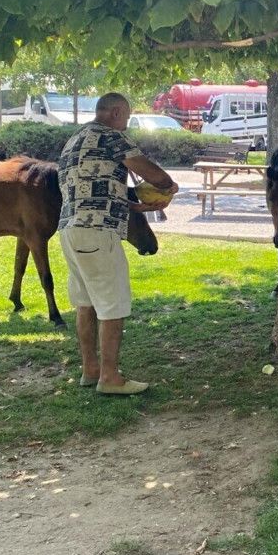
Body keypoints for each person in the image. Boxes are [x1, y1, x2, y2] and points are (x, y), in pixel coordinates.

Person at [57, 92, 177, 395]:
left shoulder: (75, 140)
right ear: (115, 113)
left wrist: (134, 207)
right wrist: (167, 186)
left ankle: (90, 370)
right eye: (125, 117)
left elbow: (93, 188)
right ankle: (110, 377)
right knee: (112, 303)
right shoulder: (110, 136)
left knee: (85, 302)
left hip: (70, 230)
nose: (125, 124)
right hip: (98, 232)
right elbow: (149, 170)